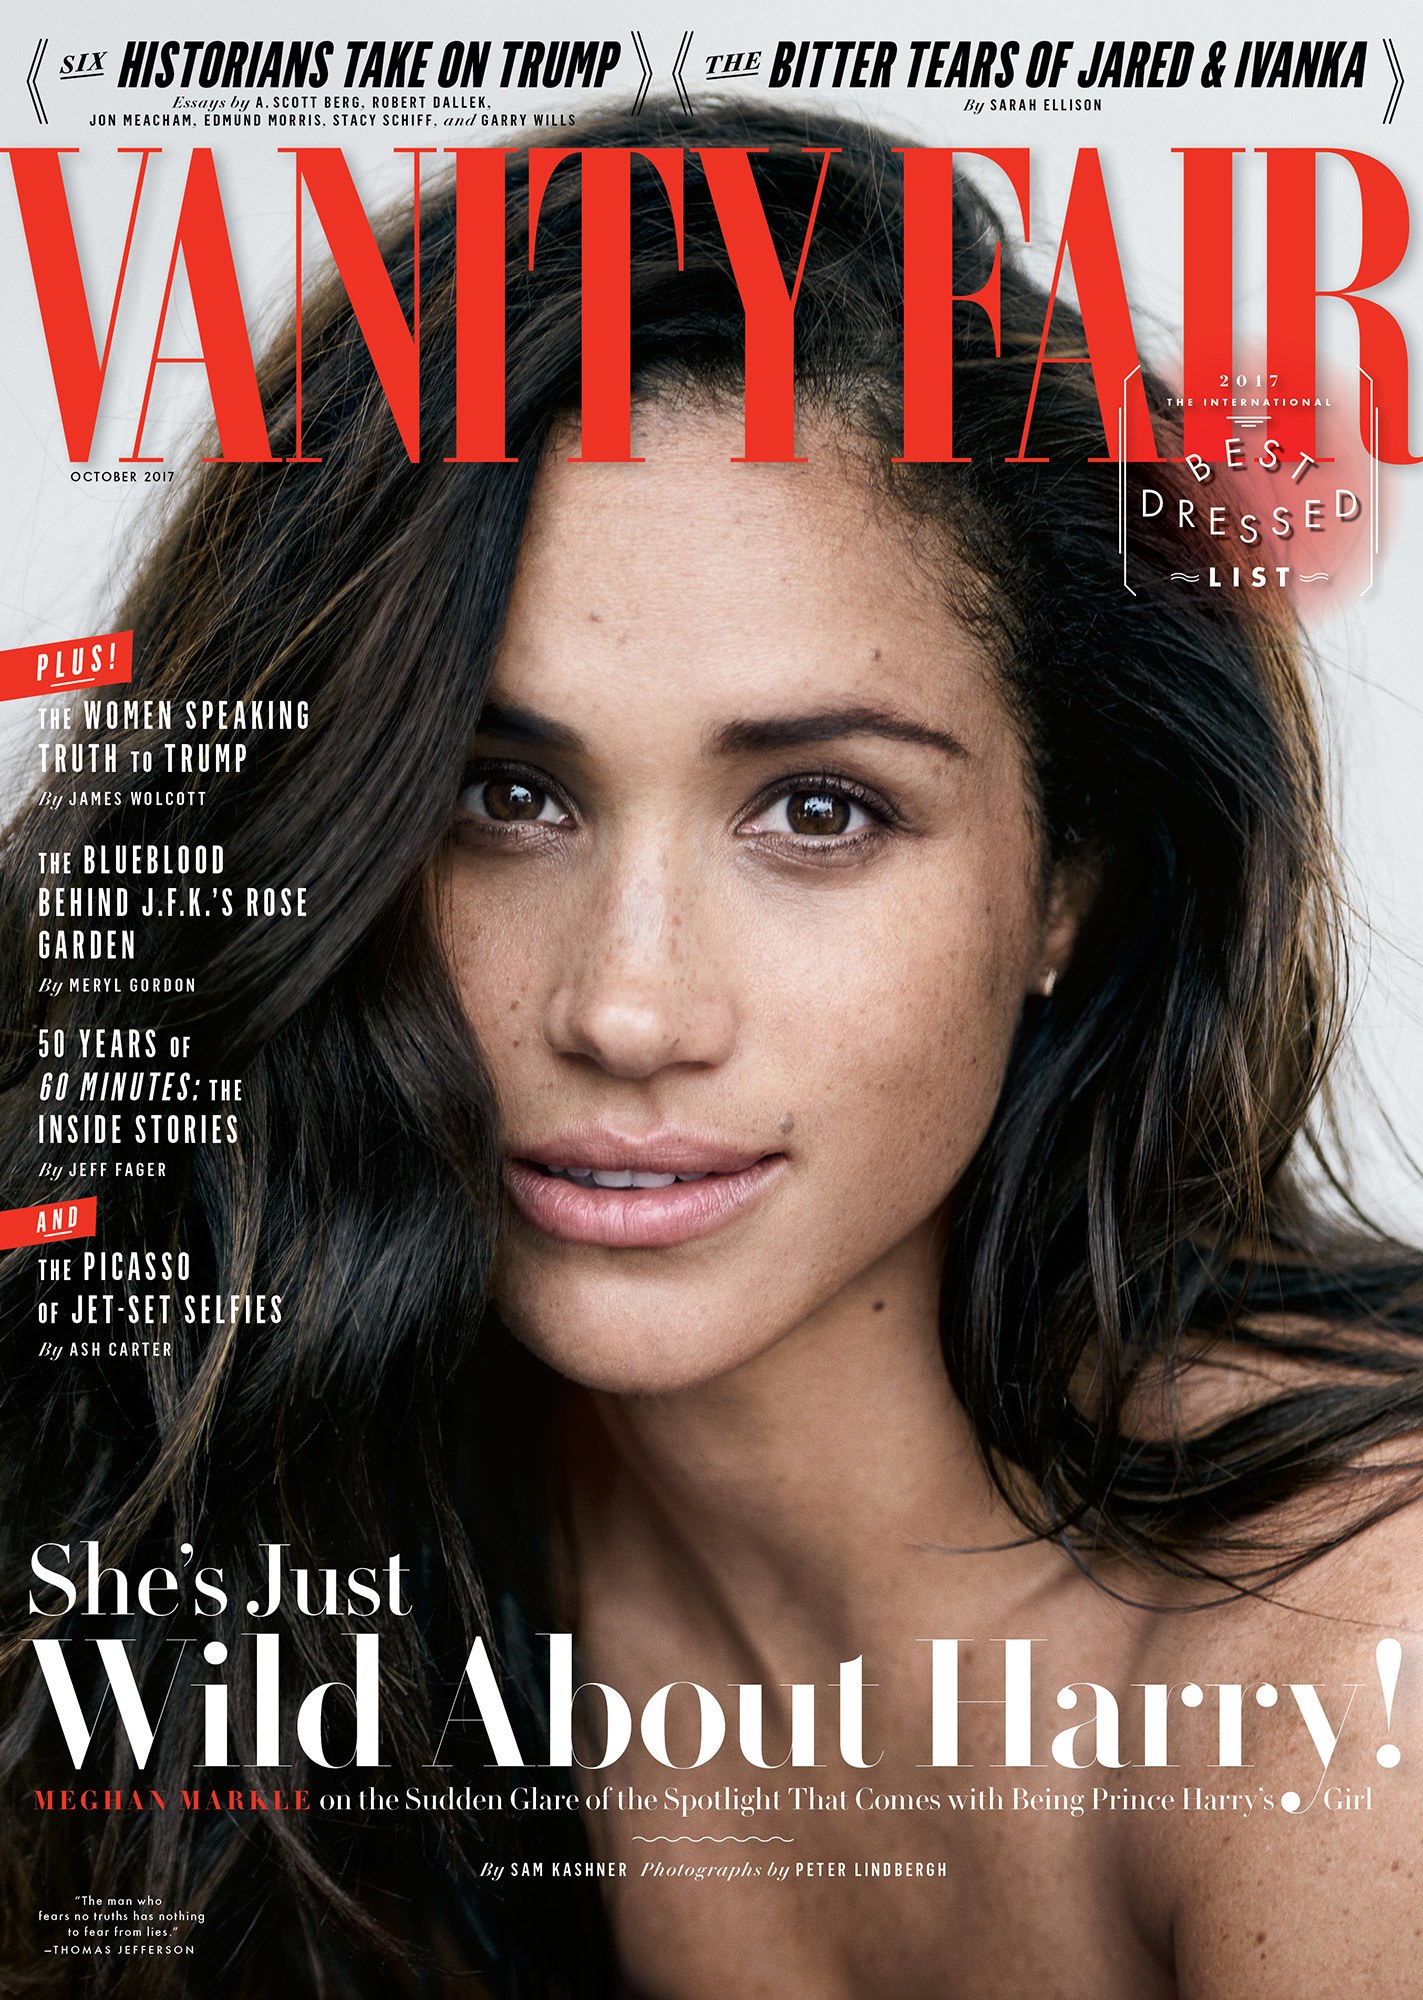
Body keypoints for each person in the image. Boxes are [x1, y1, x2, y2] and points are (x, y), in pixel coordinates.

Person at [1, 100, 1420, 2000]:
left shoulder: (1358, 1670)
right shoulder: (259, 1508)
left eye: (820, 811)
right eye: (500, 796)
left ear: (1068, 883)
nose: (629, 1008)